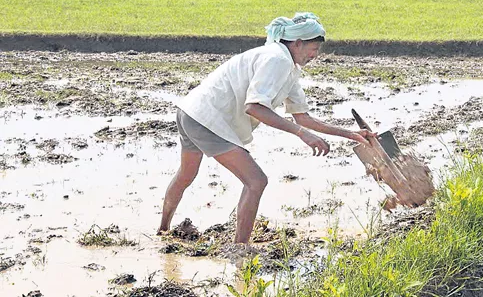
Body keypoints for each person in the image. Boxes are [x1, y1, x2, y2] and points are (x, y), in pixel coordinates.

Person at [158, 12, 375, 243]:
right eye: (313, 49)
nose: (315, 55)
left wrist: (350, 134)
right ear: (297, 43)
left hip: (189, 112)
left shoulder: (288, 67)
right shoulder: (277, 59)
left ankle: (162, 231)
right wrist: (302, 135)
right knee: (256, 181)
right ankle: (240, 248)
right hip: (207, 119)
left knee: (186, 174)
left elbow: (303, 117)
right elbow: (254, 107)